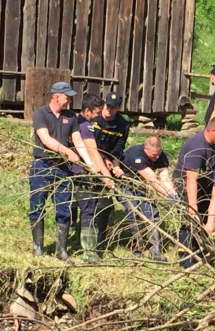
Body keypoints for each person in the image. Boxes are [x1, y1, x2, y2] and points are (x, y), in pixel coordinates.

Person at [28, 81, 82, 260]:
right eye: (67, 97)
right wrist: (67, 151)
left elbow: (78, 141)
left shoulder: (72, 117)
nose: (69, 101)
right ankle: (38, 248)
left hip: (63, 169)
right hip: (42, 165)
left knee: (64, 208)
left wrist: (87, 161)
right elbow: (46, 140)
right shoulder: (40, 114)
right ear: (56, 96)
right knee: (37, 206)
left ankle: (61, 251)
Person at [173, 116, 215, 268]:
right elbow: (191, 178)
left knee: (204, 221)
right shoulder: (198, 146)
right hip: (187, 187)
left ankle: (200, 254)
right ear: (212, 130)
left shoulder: (214, 143)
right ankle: (185, 259)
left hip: (203, 187)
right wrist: (192, 207)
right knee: (190, 222)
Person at [71, 93, 115, 263]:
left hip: (74, 171)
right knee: (89, 210)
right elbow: (92, 151)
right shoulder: (85, 126)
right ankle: (89, 253)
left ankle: (78, 245)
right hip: (83, 173)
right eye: (97, 112)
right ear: (87, 111)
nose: (99, 116)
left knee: (77, 208)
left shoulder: (75, 120)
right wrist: (106, 177)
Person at [121, 136, 178, 261]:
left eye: (158, 155)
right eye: (153, 155)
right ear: (145, 149)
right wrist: (167, 195)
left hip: (142, 186)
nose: (156, 158)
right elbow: (152, 179)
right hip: (126, 184)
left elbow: (165, 178)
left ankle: (155, 251)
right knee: (133, 211)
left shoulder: (160, 156)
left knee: (152, 213)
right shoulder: (136, 156)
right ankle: (137, 247)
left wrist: (174, 196)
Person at [90, 91, 130, 242]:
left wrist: (116, 165)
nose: (108, 110)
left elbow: (118, 149)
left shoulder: (122, 125)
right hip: (89, 160)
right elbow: (89, 145)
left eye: (113, 107)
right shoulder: (95, 118)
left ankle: (101, 236)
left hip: (108, 164)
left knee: (105, 200)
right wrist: (103, 158)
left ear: (118, 107)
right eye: (107, 106)